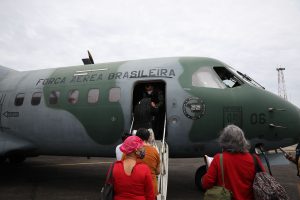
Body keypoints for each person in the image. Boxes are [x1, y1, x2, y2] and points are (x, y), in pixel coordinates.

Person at [201, 124, 265, 200]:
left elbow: (206, 184)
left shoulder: (219, 159)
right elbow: (263, 182)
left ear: (223, 140)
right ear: (242, 140)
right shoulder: (254, 159)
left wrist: (205, 175)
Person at [113, 136, 155, 200]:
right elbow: (150, 195)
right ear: (136, 150)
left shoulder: (114, 167)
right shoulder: (144, 169)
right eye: (141, 147)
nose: (143, 149)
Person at [136, 128, 161, 196]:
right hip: (151, 187)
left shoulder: (129, 151)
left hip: (135, 187)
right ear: (148, 137)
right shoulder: (154, 151)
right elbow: (158, 172)